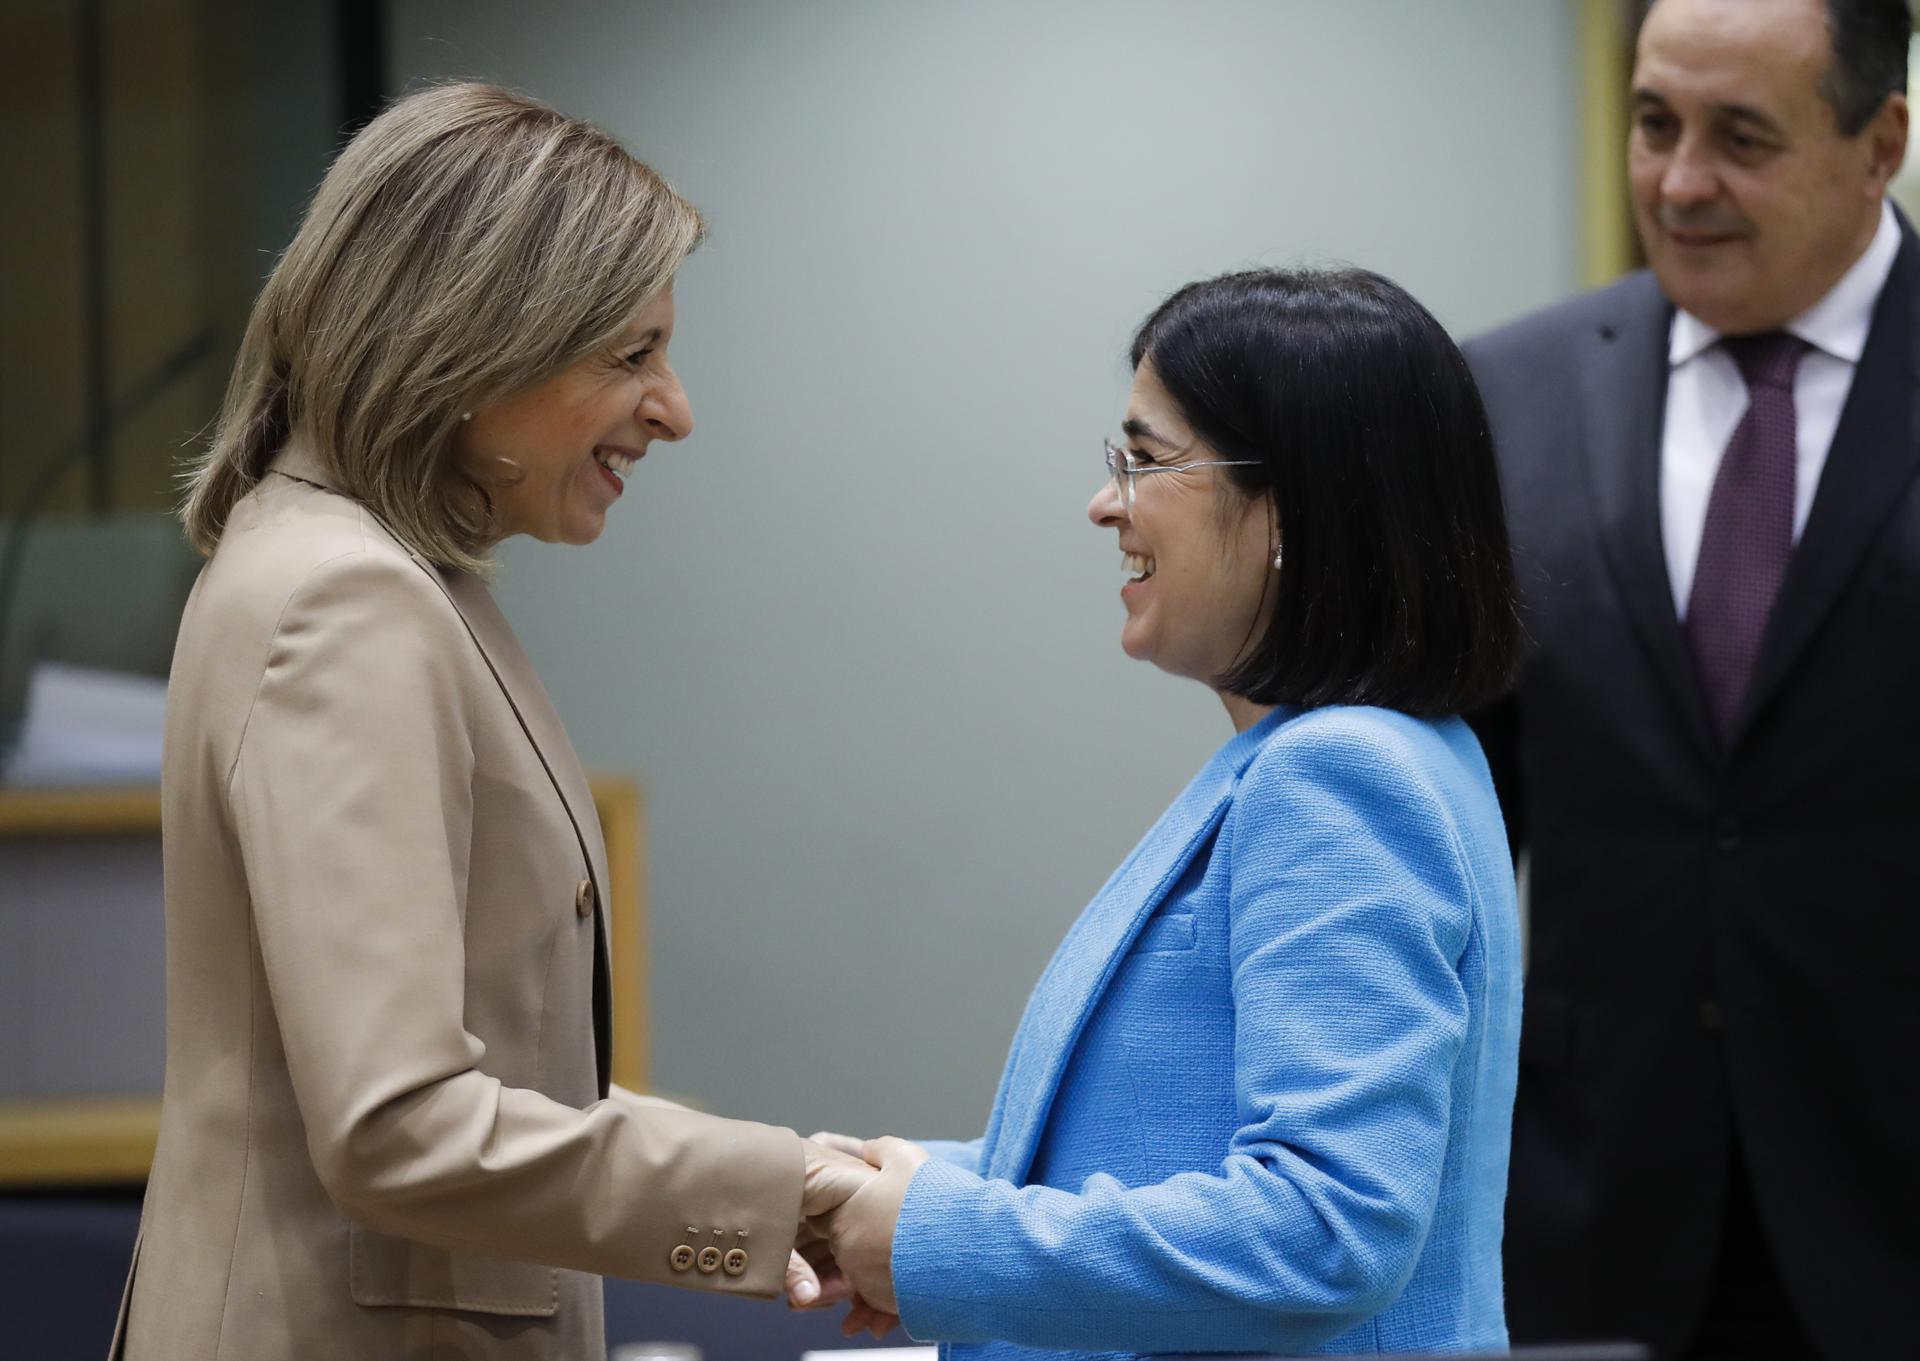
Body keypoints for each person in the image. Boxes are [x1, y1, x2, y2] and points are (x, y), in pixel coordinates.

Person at [115, 84, 871, 1361]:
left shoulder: (354, 570)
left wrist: (780, 1177)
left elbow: (476, 1077)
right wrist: (777, 1196)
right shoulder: (344, 600)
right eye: (631, 354)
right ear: (472, 342)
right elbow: (400, 1122)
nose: (674, 408)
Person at [810, 268, 1527, 1359]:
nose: (1107, 503)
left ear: (1289, 502)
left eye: (1144, 462)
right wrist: (910, 1192)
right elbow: (1160, 1152)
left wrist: (940, 1239)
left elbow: (1324, 1226)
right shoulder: (1391, 751)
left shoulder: (1338, 773)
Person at [1462, 1, 1919, 1356]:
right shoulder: (1507, 394)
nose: (1678, 181)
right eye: (1655, 123)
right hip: (1593, 1219)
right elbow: (1460, 823)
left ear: (1879, 142)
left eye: (1743, 138)